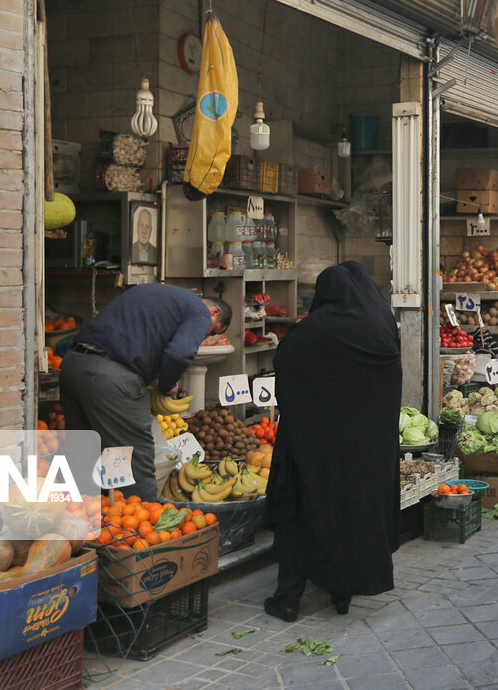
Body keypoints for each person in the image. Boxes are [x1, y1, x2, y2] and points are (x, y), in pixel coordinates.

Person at [264, 261, 401, 622]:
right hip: (367, 450)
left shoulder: (310, 332)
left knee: (301, 514)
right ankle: (342, 593)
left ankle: (288, 599)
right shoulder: (381, 328)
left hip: (312, 447)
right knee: (353, 516)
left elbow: (286, 371)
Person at [59, 284, 231, 501]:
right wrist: (167, 385)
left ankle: (80, 523)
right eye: (213, 331)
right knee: (135, 460)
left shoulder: (157, 295)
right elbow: (180, 353)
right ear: (214, 313)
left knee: (83, 454)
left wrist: (144, 379)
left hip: (74, 365)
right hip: (111, 377)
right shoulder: (198, 311)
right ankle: (139, 529)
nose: (206, 337)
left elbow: (135, 339)